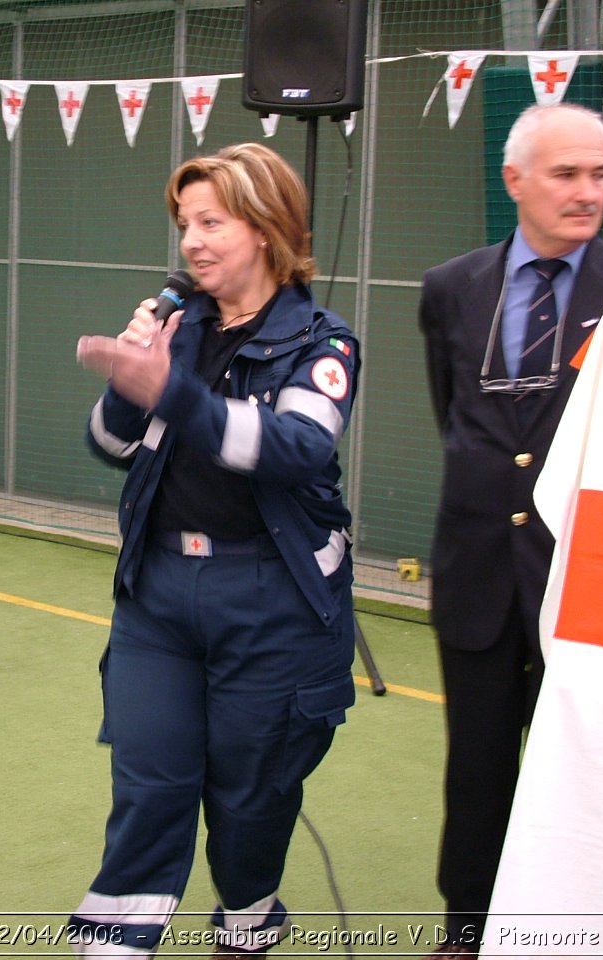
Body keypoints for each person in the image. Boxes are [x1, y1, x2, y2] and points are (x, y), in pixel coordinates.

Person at [68, 142, 360, 959]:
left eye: (211, 222)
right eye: (184, 224)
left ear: (265, 228)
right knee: (148, 779)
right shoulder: (178, 327)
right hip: (160, 591)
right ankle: (116, 942)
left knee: (250, 796)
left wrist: (172, 391)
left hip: (271, 600)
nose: (191, 241)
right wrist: (132, 380)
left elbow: (295, 447)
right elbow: (107, 443)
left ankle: (247, 924)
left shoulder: (322, 342)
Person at [417, 103, 603, 958]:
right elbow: (456, 416)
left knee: (591, 776)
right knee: (479, 770)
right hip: (477, 575)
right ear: (516, 182)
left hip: (589, 587)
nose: (587, 192)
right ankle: (469, 930)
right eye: (567, 174)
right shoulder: (451, 288)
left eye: (600, 174)